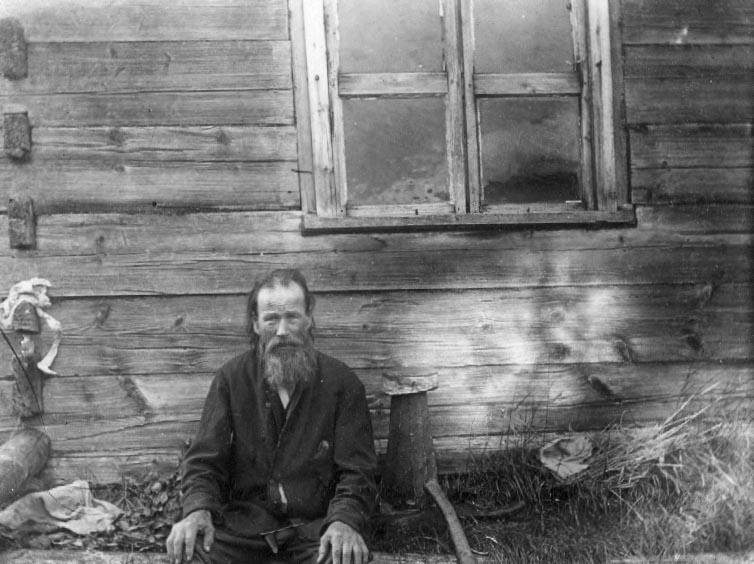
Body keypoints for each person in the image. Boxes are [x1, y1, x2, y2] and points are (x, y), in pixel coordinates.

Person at [166, 269, 377, 564]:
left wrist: (344, 521)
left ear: (309, 318)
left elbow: (358, 471)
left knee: (344, 557)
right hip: (246, 529)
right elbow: (204, 462)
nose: (282, 331)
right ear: (255, 324)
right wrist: (197, 511)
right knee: (191, 551)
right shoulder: (231, 380)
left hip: (315, 530)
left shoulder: (342, 383)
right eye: (271, 319)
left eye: (292, 317)